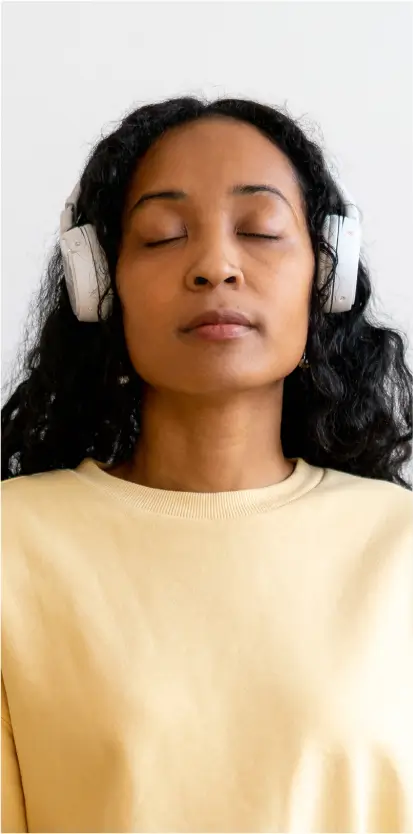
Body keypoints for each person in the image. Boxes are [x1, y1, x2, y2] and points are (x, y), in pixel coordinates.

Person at [1, 96, 412, 834]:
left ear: (327, 275)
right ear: (100, 283)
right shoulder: (13, 543)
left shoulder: (400, 544)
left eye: (259, 231)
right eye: (162, 236)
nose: (215, 266)